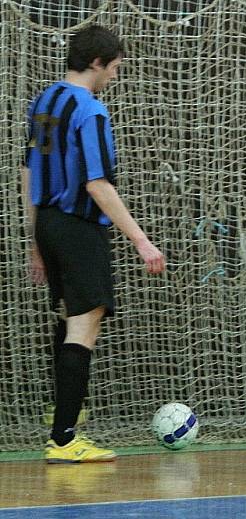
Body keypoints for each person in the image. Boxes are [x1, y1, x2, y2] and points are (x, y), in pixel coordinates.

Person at [22, 25, 165, 463]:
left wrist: (34, 240)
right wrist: (142, 241)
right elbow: (97, 183)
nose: (115, 77)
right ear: (98, 62)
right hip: (78, 228)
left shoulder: (43, 102)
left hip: (47, 221)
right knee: (85, 324)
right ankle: (65, 440)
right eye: (115, 68)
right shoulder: (90, 110)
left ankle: (63, 413)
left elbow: (28, 174)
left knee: (68, 319)